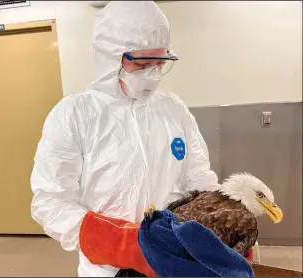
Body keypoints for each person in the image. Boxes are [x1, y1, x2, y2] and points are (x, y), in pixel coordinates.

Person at [30, 1, 252, 277]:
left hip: (176, 264)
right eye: (143, 64)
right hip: (108, 270)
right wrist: (125, 245)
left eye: (160, 63)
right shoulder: (74, 116)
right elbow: (51, 203)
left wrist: (223, 229)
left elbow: (199, 181)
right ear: (110, 57)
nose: (153, 75)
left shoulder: (173, 110)